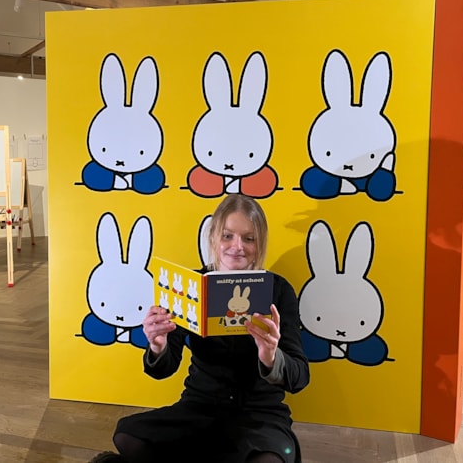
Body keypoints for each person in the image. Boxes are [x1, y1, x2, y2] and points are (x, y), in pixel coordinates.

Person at [91, 194, 310, 463]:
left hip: (259, 415)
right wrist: (157, 345)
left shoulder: (278, 290)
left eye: (248, 238)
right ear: (214, 239)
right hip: (201, 406)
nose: (237, 247)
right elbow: (163, 369)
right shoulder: (189, 286)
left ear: (259, 243)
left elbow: (299, 377)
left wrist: (271, 357)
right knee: (127, 435)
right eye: (227, 236)